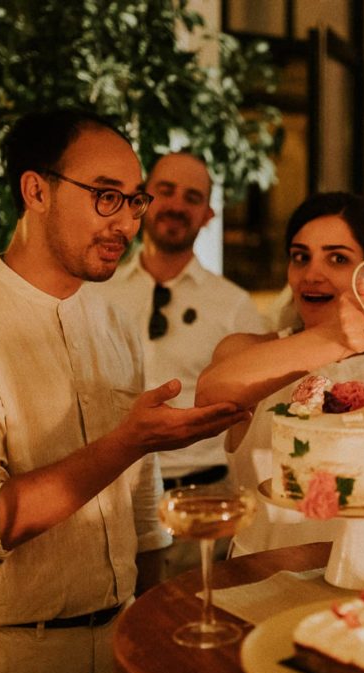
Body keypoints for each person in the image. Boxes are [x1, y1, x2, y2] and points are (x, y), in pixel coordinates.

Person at [0, 109, 246, 673]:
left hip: (115, 637)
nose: (127, 224)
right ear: (36, 190)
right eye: (106, 196)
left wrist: (149, 625)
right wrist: (127, 441)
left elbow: (139, 505)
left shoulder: (113, 322)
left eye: (134, 201)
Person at [196, 192, 364, 556]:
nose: (311, 274)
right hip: (259, 583)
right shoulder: (244, 351)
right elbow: (209, 395)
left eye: (337, 258)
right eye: (300, 257)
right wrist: (330, 337)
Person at [98, 151, 267, 576]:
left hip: (205, 501)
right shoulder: (97, 294)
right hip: (111, 495)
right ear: (141, 199)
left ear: (207, 214)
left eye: (192, 197)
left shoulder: (234, 306)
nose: (176, 205)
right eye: (165, 191)